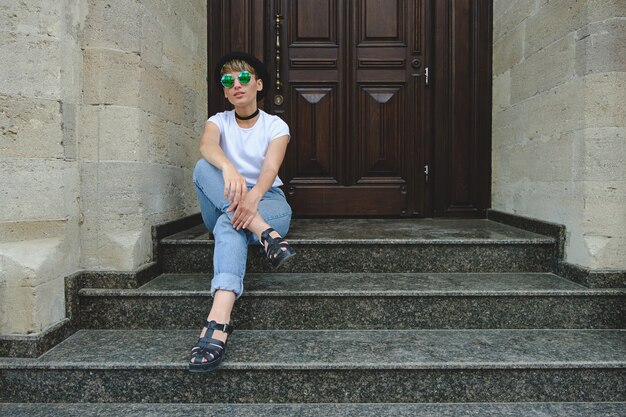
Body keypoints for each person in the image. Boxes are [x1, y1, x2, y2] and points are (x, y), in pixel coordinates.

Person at [188, 51, 295, 372]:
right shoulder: (217, 122)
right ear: (223, 91)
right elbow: (207, 147)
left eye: (244, 78)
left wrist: (252, 199)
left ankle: (217, 320)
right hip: (228, 196)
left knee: (228, 224)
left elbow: (269, 169)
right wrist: (229, 169)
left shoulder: (276, 125)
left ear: (259, 85)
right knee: (201, 167)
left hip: (268, 201)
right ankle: (264, 232)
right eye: (228, 81)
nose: (237, 85)